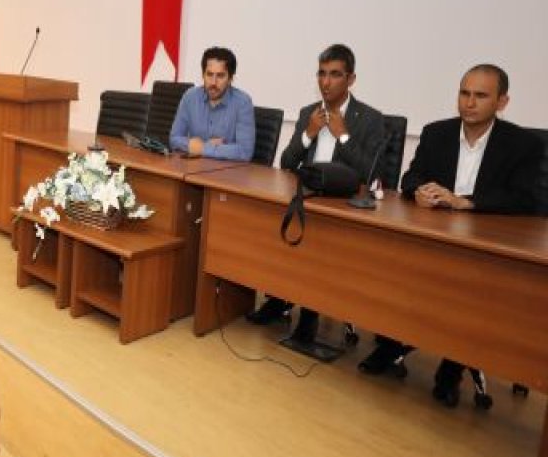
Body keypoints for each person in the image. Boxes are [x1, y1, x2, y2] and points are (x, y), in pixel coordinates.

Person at [358, 64, 544, 404]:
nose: (469, 103)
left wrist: (466, 203)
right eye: (464, 93)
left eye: (480, 95)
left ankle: (452, 366)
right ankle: (390, 344)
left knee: (466, 294)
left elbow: (525, 199)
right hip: (436, 236)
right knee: (393, 264)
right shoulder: (436, 133)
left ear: (502, 102)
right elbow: (411, 177)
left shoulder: (523, 144)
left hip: (488, 243)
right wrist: (419, 191)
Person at [251, 44, 387, 342]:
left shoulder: (370, 119)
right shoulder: (308, 113)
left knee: (318, 239)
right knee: (273, 224)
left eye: (335, 75)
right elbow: (287, 162)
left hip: (342, 204)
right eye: (321, 74)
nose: (326, 82)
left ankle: (310, 313)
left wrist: (344, 136)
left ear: (351, 79)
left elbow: (374, 174)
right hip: (307, 197)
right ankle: (279, 298)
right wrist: (308, 133)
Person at [169, 47, 256, 160]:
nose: (213, 82)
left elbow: (245, 152)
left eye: (220, 76)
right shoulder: (190, 97)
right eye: (209, 74)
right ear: (203, 75)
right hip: (194, 167)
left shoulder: (243, 103)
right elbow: (174, 139)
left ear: (230, 78)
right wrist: (210, 147)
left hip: (225, 170)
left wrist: (203, 148)